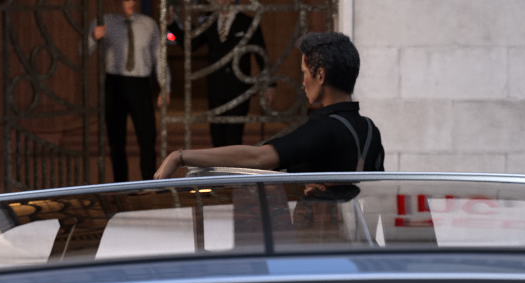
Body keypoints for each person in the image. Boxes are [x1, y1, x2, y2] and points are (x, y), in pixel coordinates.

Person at [154, 31, 384, 177]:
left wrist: (180, 157)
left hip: (322, 236)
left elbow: (259, 158)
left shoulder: (325, 127)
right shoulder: (370, 129)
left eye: (304, 72)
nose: (303, 82)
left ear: (321, 75)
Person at [169, 0, 275, 146]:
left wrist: (269, 84)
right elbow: (191, 45)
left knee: (234, 138)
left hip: (239, 89)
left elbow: (261, 54)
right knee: (217, 138)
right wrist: (172, 26)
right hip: (216, 89)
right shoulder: (210, 22)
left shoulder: (247, 22)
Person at [90, 0, 168, 182]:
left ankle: (150, 182)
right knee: (116, 139)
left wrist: (165, 86)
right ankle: (121, 184)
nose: (131, 2)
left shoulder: (148, 24)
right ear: (117, 0)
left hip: (141, 84)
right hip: (115, 83)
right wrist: (93, 37)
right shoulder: (104, 22)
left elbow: (159, 57)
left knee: (147, 136)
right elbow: (82, 51)